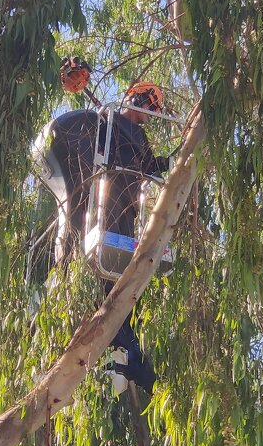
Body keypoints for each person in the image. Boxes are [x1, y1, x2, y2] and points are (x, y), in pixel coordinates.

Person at [33, 59, 169, 394]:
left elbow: (153, 167)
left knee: (117, 295)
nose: (146, 109)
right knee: (96, 284)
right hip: (98, 211)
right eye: (143, 101)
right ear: (130, 99)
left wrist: (176, 161)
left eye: (152, 106)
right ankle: (123, 356)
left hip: (120, 216)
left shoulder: (137, 139)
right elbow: (69, 147)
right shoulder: (100, 122)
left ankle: (127, 357)